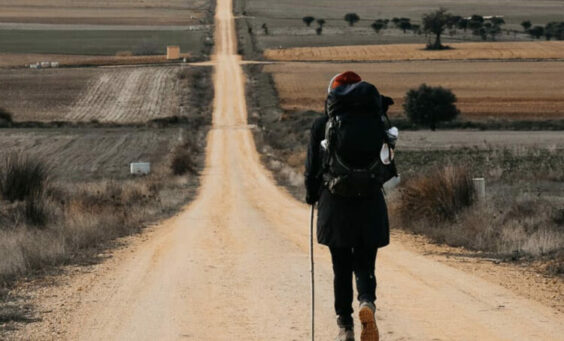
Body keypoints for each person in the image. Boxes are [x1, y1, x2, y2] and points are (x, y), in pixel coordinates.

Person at [305, 71, 392, 341]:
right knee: (365, 262)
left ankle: (345, 326)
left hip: (336, 204)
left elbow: (312, 169)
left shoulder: (323, 124)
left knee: (340, 267)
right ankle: (366, 301)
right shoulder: (377, 120)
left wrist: (311, 196)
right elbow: (388, 163)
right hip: (370, 201)